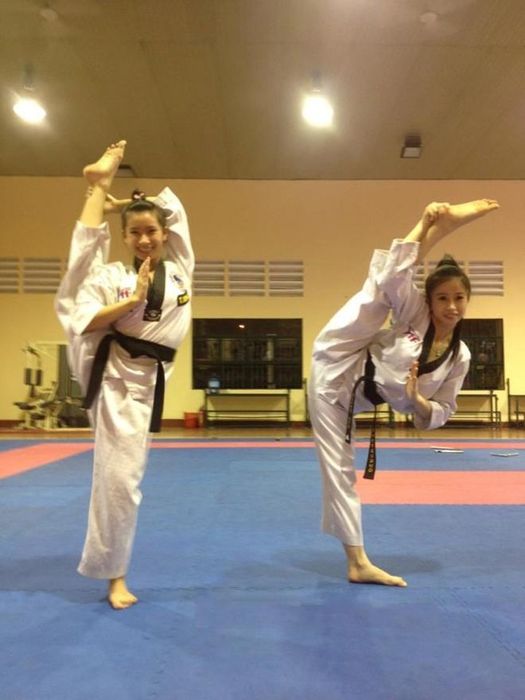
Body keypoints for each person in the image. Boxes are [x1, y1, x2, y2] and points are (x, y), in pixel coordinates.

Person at [308, 199, 499, 587]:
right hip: (339, 357)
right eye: (442, 298)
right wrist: (424, 225)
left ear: (468, 301)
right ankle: (435, 227)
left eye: (458, 298)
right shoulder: (416, 314)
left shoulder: (459, 356)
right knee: (379, 292)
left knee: (341, 473)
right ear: (430, 301)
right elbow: (393, 275)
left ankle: (356, 563)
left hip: (343, 398)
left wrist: (417, 400)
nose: (451, 306)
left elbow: (441, 411)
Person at [55, 141, 194, 608]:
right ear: (125, 238)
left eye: (151, 230)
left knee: (123, 480)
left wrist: (128, 202)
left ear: (163, 233)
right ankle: (115, 577)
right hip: (111, 373)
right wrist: (132, 300)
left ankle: (99, 185)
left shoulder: (181, 270)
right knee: (119, 481)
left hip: (150, 376)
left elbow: (176, 211)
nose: (145, 239)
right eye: (134, 232)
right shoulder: (114, 276)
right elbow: (84, 320)